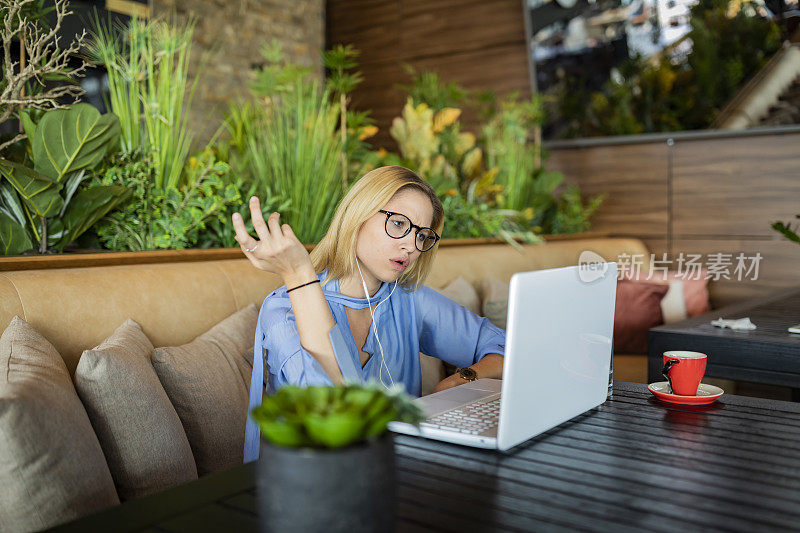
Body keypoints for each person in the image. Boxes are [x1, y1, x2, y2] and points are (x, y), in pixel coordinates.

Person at [234, 166, 505, 461]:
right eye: (399, 224)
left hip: (394, 474)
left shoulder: (407, 300)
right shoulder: (284, 310)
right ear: (358, 214)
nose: (411, 246)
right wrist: (299, 272)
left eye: (421, 235)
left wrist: (463, 378)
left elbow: (506, 348)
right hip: (309, 484)